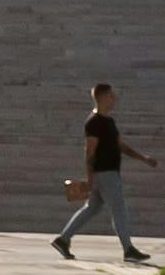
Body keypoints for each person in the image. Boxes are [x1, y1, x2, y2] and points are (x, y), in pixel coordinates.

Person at [55, 81, 148, 264]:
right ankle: (128, 249)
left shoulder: (109, 121)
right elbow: (89, 151)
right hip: (104, 173)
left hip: (108, 172)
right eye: (111, 95)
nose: (114, 99)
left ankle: (63, 239)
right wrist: (90, 177)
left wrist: (143, 158)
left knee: (92, 208)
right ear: (103, 98)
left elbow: (120, 145)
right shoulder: (94, 122)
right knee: (119, 210)